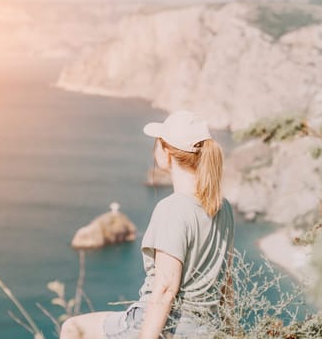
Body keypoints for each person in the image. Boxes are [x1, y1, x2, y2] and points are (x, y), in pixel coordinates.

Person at [60, 110, 235, 339]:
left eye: (157, 142)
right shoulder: (223, 207)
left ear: (166, 151)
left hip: (169, 325)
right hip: (207, 328)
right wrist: (230, 331)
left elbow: (165, 287)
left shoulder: (172, 208)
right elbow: (227, 281)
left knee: (74, 328)